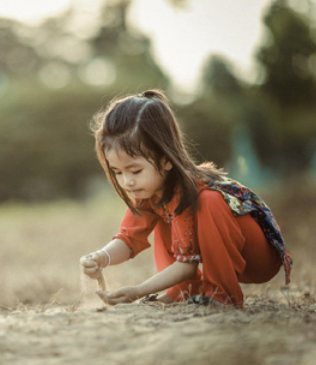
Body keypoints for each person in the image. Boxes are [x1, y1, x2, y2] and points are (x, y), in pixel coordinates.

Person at [80, 89, 292, 308]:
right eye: (117, 172)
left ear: (166, 160)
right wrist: (101, 257)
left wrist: (138, 291)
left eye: (135, 171)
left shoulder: (189, 191)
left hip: (257, 257)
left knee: (209, 201)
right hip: (221, 255)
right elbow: (128, 239)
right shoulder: (147, 193)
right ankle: (184, 291)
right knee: (164, 216)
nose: (127, 182)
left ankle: (222, 295)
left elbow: (186, 266)